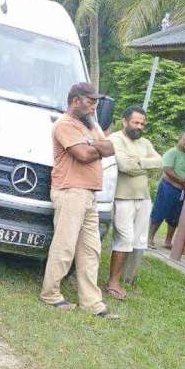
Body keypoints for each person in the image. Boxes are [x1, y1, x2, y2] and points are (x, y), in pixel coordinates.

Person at [40, 83, 119, 319]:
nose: (95, 105)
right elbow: (83, 155)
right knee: (64, 246)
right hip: (70, 190)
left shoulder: (91, 124)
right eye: (90, 101)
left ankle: (92, 302)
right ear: (76, 101)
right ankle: (50, 294)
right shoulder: (64, 124)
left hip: (89, 194)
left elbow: (111, 147)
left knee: (90, 250)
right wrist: (97, 147)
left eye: (96, 101)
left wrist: (93, 143)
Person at [105, 105, 163, 300]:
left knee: (139, 241)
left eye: (142, 123)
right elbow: (124, 165)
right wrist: (144, 164)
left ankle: (127, 279)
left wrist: (138, 162)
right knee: (124, 238)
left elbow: (160, 162)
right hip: (123, 197)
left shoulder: (144, 142)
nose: (139, 127)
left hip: (144, 197)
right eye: (136, 122)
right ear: (124, 121)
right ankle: (112, 282)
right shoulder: (115, 139)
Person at [148, 132, 185, 249]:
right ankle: (149, 238)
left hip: (183, 191)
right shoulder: (172, 152)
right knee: (159, 212)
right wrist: (182, 181)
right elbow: (167, 170)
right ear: (179, 139)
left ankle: (168, 241)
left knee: (175, 216)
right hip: (168, 187)